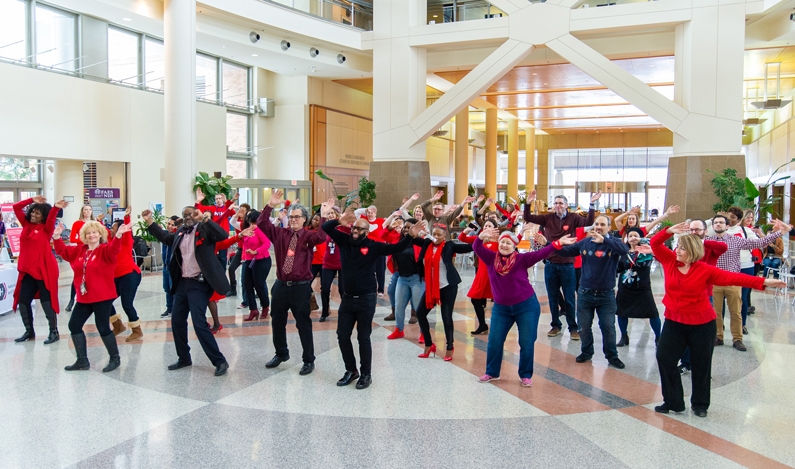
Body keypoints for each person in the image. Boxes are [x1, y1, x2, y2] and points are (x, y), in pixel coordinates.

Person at [650, 222, 785, 417]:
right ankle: (673, 402)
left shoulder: (704, 269)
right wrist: (669, 231)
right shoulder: (670, 261)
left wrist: (764, 281)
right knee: (665, 358)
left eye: (682, 248)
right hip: (674, 321)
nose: (677, 250)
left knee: (701, 364)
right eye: (677, 246)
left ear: (693, 250)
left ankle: (700, 404)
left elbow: (734, 278)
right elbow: (655, 243)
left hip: (702, 324)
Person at [323, 204, 418, 389]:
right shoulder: (344, 240)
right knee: (342, 336)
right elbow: (326, 228)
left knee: (363, 337)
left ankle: (366, 374)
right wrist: (339, 221)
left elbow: (396, 248)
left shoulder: (373, 246)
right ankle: (351, 370)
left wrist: (410, 236)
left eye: (360, 229)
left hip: (366, 298)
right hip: (348, 298)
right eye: (354, 228)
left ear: (367, 231)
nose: (356, 231)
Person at [475, 227, 576, 385]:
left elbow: (541, 253)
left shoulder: (522, 259)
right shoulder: (490, 258)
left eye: (509, 243)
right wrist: (481, 236)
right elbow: (476, 247)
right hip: (501, 309)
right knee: (495, 340)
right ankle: (492, 372)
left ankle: (525, 375)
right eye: (502, 242)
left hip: (526, 307)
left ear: (514, 246)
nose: (505, 245)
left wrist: (557, 243)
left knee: (526, 341)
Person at [143, 206, 231, 377]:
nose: (188, 218)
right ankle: (184, 357)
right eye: (185, 216)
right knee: (177, 321)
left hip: (200, 283)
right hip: (183, 283)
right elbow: (166, 238)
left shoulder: (205, 229)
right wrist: (150, 222)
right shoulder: (181, 231)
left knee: (199, 323)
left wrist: (204, 219)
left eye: (191, 214)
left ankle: (220, 361)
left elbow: (223, 235)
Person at [257, 190, 328, 376]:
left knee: (303, 324)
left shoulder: (308, 236)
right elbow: (261, 224)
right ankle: (281, 353)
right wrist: (270, 205)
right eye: (291, 216)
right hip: (281, 286)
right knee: (277, 322)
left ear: (304, 219)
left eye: (297, 217)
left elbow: (321, 237)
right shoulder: (280, 233)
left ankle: (308, 360)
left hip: (301, 287)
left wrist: (324, 217)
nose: (294, 219)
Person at [54, 218, 133, 372]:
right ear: (84, 235)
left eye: (94, 233)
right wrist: (57, 237)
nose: (91, 235)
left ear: (100, 234)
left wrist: (118, 236)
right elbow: (62, 251)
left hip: (102, 296)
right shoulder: (79, 250)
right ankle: (82, 361)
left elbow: (114, 249)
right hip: (84, 297)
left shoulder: (105, 250)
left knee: (102, 327)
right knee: (74, 325)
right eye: (88, 233)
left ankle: (115, 359)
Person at [523, 189, 601, 339]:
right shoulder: (548, 218)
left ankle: (573, 327)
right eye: (556, 203)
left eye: (560, 203)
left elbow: (589, 222)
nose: (558, 206)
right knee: (552, 298)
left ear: (566, 205)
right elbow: (528, 216)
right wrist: (528, 203)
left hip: (567, 264)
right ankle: (555, 325)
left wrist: (591, 204)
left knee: (570, 298)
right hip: (551, 264)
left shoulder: (573, 218)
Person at [555, 214, 628, 368]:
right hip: (585, 294)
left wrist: (605, 241)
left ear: (609, 227)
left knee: (608, 327)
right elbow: (566, 252)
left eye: (602, 224)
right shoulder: (586, 242)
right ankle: (587, 352)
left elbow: (624, 250)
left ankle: (612, 356)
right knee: (584, 326)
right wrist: (550, 244)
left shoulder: (613, 242)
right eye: (596, 224)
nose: (598, 227)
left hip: (606, 295)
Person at [705, 214, 785, 351]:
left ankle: (737, 339)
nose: (718, 225)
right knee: (716, 312)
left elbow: (759, 243)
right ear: (712, 226)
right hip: (715, 282)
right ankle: (718, 336)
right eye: (716, 223)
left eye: (721, 223)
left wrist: (780, 232)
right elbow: (692, 239)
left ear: (727, 225)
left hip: (733, 281)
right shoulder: (707, 241)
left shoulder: (736, 240)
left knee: (736, 312)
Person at [413, 223, 474, 361]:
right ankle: (429, 344)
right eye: (434, 234)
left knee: (446, 317)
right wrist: (416, 232)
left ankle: (449, 347)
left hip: (448, 286)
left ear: (445, 236)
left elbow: (467, 247)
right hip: (431, 287)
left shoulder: (449, 245)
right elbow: (411, 238)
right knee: (420, 313)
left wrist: (480, 238)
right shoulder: (427, 243)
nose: (436, 237)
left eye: (439, 235)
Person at [12, 196, 63, 344]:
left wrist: (55, 208)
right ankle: (29, 331)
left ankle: (53, 332)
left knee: (47, 302)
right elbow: (16, 207)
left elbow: (52, 218)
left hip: (43, 271)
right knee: (23, 302)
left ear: (44, 216)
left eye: (37, 213)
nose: (33, 215)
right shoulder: (26, 224)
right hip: (27, 271)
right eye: (32, 212)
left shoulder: (46, 229)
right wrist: (31, 200)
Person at [615, 227, 661, 347]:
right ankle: (624, 336)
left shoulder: (646, 250)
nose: (632, 238)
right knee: (622, 312)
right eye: (630, 236)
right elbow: (619, 267)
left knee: (652, 312)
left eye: (635, 235)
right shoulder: (623, 251)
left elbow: (644, 263)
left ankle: (659, 338)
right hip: (625, 286)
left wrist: (643, 241)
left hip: (642, 286)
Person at [107, 208, 144, 342]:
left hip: (130, 274)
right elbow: (101, 230)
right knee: (106, 300)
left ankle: (137, 330)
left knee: (127, 303)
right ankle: (118, 326)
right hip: (116, 276)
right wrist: (97, 219)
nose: (111, 229)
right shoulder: (111, 241)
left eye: (113, 227)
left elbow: (127, 231)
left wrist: (126, 217)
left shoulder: (126, 240)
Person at [458, 219, 501, 335]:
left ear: (495, 228)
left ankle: (498, 325)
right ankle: (482, 324)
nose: (487, 227)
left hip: (493, 275)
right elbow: (462, 239)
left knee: (498, 300)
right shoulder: (480, 239)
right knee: (475, 299)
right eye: (485, 225)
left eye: (489, 226)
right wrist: (466, 231)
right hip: (481, 274)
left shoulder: (500, 241)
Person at [386, 218, 424, 338]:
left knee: (420, 308)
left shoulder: (420, 242)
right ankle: (399, 330)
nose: (406, 229)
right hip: (401, 278)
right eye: (405, 227)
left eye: (410, 227)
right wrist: (391, 227)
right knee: (399, 306)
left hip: (417, 279)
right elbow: (383, 235)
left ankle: (424, 333)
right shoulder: (397, 240)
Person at [240, 210, 272, 322]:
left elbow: (267, 244)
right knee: (246, 284)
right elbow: (243, 244)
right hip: (249, 260)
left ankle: (265, 306)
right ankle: (253, 309)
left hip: (261, 260)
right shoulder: (247, 230)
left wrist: (256, 251)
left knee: (259, 284)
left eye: (255, 222)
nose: (252, 225)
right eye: (250, 222)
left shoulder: (260, 230)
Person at [194, 189, 237, 270]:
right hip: (213, 236)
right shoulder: (211, 209)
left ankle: (222, 275)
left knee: (223, 257)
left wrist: (227, 202)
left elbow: (234, 215)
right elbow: (198, 209)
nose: (218, 200)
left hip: (223, 236)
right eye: (217, 199)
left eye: (220, 198)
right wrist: (198, 200)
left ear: (222, 199)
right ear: (215, 200)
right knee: (212, 256)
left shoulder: (226, 208)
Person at [65, 204, 95, 312]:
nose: (88, 211)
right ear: (82, 211)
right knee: (78, 275)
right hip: (82, 251)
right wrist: (85, 240)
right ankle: (72, 300)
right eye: (85, 210)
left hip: (93, 251)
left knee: (92, 275)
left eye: (89, 209)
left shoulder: (95, 223)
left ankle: (92, 299)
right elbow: (72, 239)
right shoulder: (77, 223)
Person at [320, 207, 343, 322]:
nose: (330, 215)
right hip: (328, 262)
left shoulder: (342, 227)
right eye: (328, 213)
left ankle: (344, 311)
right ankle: (325, 312)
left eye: (332, 213)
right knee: (324, 288)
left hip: (341, 262)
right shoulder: (325, 228)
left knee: (343, 289)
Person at [614, 205, 678, 241]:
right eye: (629, 219)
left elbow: (654, 222)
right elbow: (616, 220)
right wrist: (627, 213)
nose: (631, 220)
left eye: (633, 219)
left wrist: (666, 214)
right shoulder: (624, 229)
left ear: (637, 220)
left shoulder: (642, 230)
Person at [228, 203, 250, 297]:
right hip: (241, 249)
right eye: (240, 210)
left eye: (243, 211)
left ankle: (253, 291)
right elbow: (232, 221)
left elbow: (233, 223)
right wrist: (236, 215)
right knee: (231, 268)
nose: (241, 212)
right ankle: (233, 289)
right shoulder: (239, 222)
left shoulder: (247, 224)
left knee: (249, 273)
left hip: (249, 250)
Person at [161, 216, 179, 318]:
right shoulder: (165, 235)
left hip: (173, 268)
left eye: (172, 225)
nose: (170, 226)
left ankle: (176, 309)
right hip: (166, 267)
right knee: (167, 288)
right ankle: (169, 308)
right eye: (169, 224)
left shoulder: (177, 235)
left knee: (174, 288)